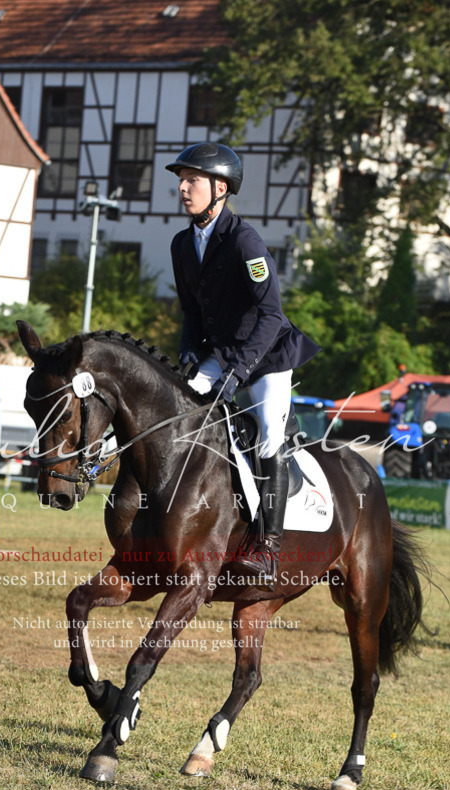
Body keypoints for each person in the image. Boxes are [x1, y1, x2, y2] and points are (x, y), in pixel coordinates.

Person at [166, 142, 319, 586]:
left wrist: (236, 372)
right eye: (182, 179)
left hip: (267, 356)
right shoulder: (181, 244)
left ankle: (267, 546)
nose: (183, 187)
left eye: (192, 179)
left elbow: (270, 315)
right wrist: (192, 358)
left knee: (270, 432)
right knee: (181, 412)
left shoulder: (244, 240)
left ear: (220, 188)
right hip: (223, 355)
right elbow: (192, 315)